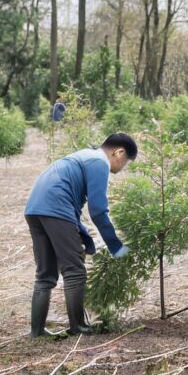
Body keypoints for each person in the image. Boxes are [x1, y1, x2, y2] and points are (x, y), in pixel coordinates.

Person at [24, 133, 136, 337]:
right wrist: (117, 247)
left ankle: (37, 331)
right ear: (118, 152)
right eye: (125, 162)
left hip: (35, 208)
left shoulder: (84, 156)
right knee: (75, 270)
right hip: (55, 207)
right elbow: (98, 210)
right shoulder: (99, 161)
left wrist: (84, 237)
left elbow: (74, 209)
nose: (122, 168)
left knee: (45, 274)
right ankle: (78, 326)